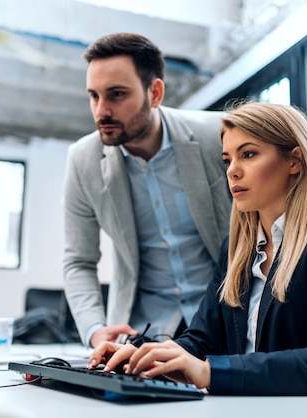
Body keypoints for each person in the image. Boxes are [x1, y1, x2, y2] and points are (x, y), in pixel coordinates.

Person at [87, 102, 307, 404]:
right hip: (249, 407)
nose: (232, 171)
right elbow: (201, 339)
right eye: (227, 159)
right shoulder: (238, 246)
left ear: (294, 161)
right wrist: (147, 355)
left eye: (248, 154)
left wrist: (208, 373)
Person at [63, 33, 232, 348]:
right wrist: (94, 330)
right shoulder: (82, 160)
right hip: (140, 331)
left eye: (116, 94)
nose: (101, 111)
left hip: (225, 321)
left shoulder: (217, 136)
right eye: (94, 96)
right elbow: (78, 261)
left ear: (154, 93)